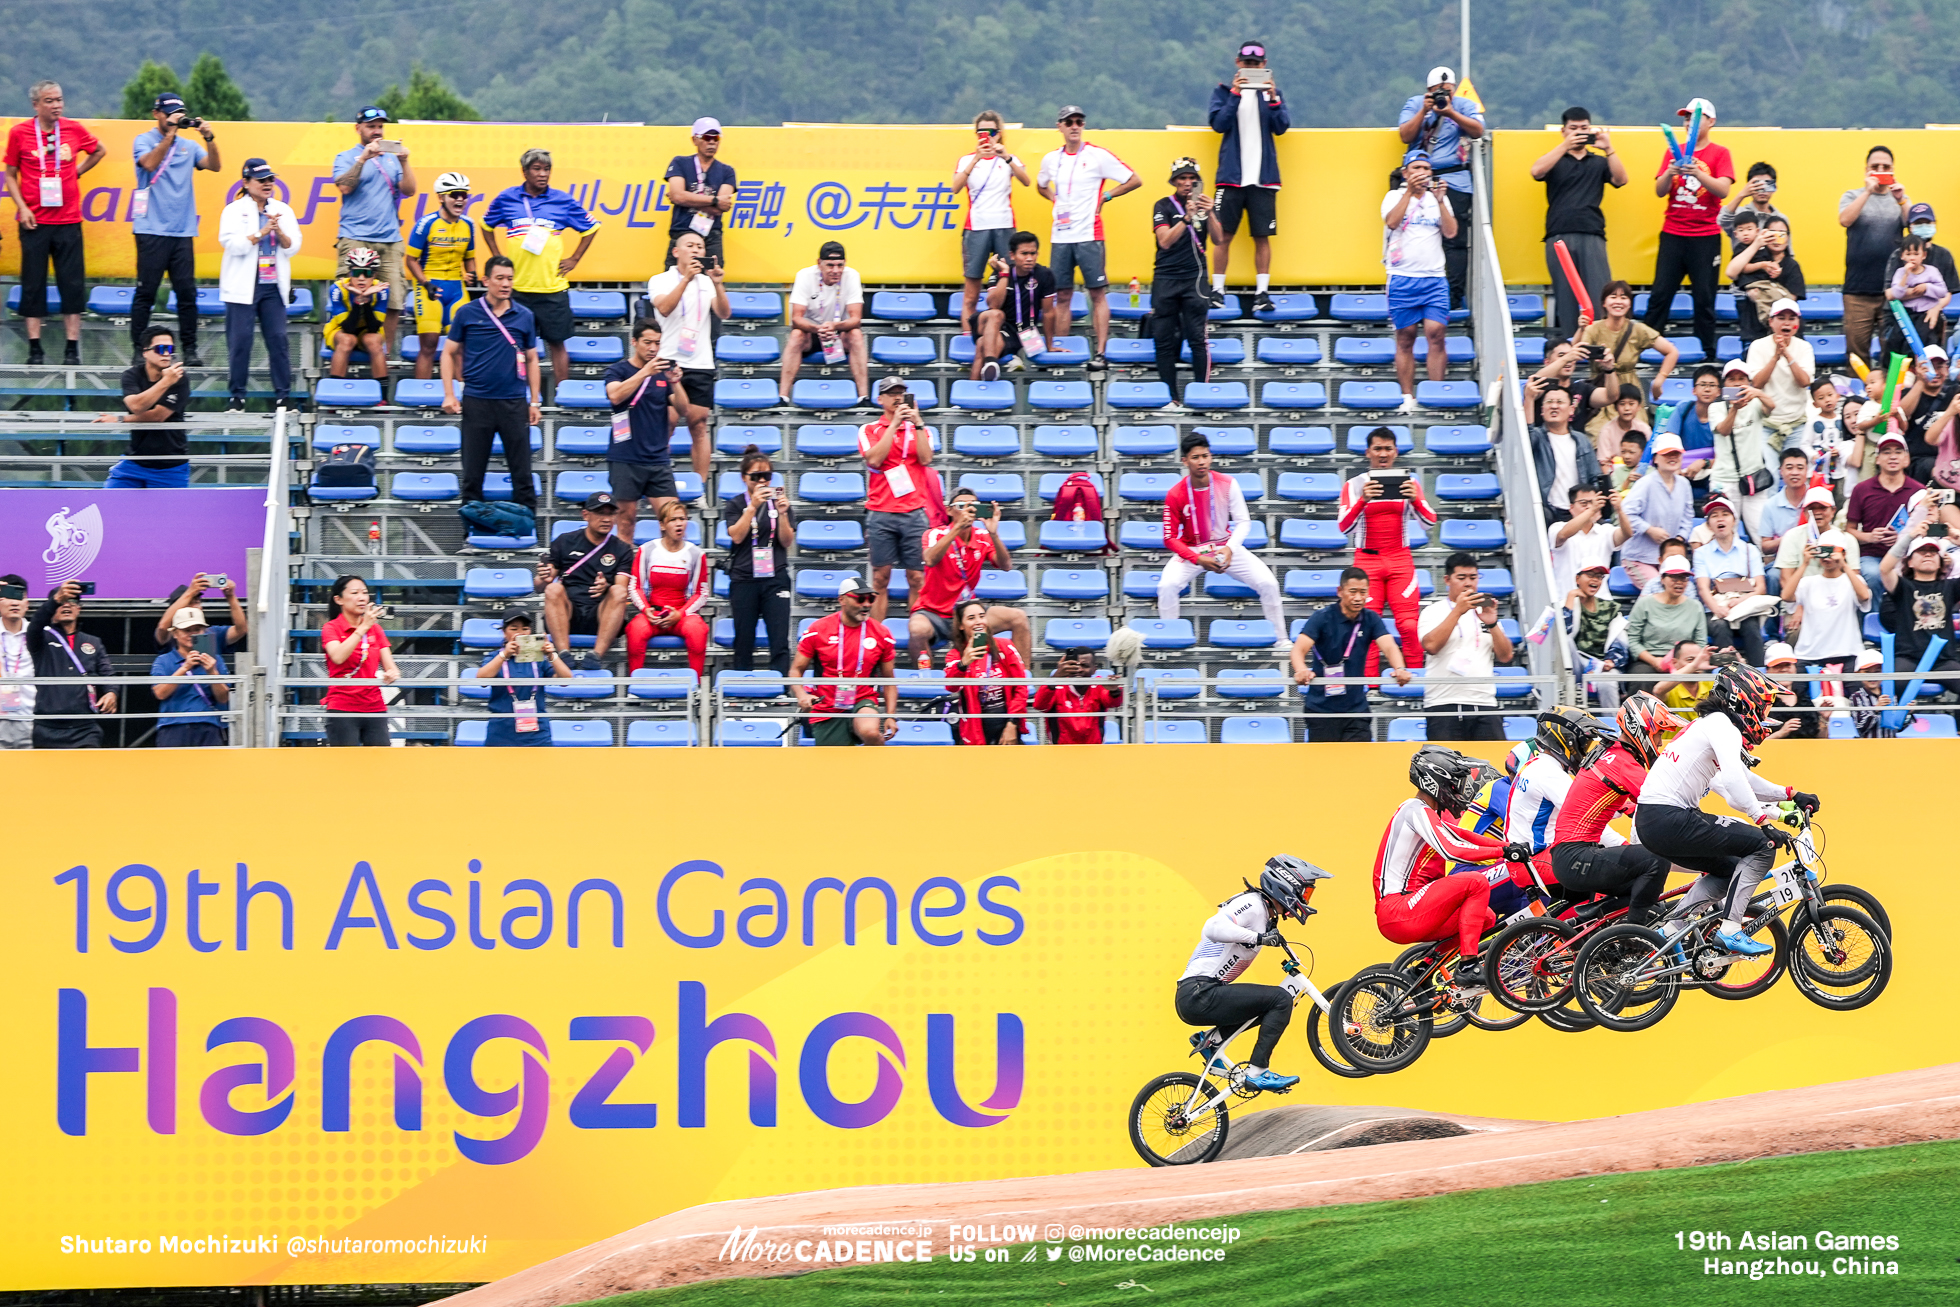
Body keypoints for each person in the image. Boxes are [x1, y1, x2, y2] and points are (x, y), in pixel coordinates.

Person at [1636, 663, 1817, 956]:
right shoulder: (1722, 724)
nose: (1765, 715)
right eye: (1764, 707)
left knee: (1728, 868)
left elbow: (1741, 777)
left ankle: (1669, 930)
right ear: (1744, 700)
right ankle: (1731, 930)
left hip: (1656, 820)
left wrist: (1790, 793)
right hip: (1668, 817)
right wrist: (1763, 822)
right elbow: (1734, 779)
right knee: (1762, 846)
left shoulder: (1711, 724)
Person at [1175, 855, 1330, 1093]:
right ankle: (1258, 1072)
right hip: (1198, 993)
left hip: (1206, 993)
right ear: (1288, 885)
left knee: (1270, 1005)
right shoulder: (1254, 903)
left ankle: (1210, 1041)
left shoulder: (1267, 917)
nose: (1306, 900)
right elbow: (1213, 927)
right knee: (1279, 999)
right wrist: (1258, 939)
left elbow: (1263, 938)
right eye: (1305, 893)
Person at [1375, 747, 1525, 990]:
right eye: (1454, 783)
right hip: (1398, 908)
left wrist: (1509, 846)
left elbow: (1465, 836)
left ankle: (1426, 967)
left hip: (1409, 908)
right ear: (1436, 781)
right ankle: (1467, 966)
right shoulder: (1414, 809)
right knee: (1475, 882)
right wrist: (1503, 852)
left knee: (1485, 917)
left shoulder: (1428, 813)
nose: (1459, 789)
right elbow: (1452, 849)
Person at [1545, 693, 1687, 925]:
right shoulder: (1623, 763)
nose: (1660, 742)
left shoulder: (1612, 753)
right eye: (1659, 734)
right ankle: (1634, 933)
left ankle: (1591, 925)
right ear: (1642, 729)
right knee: (1656, 861)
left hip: (1570, 856)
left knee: (1649, 895)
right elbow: (1663, 802)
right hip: (1576, 856)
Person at [3, 82, 102, 365]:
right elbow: (10, 175)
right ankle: (35, 348)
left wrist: (76, 173)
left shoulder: (73, 129)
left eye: (59, 100)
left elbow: (99, 150)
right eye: (50, 101)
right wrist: (22, 208)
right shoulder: (19, 133)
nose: (57, 106)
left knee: (71, 284)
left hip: (68, 220)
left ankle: (72, 349)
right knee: (33, 285)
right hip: (34, 221)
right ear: (36, 105)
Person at [483, 149, 600, 388]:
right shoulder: (506, 198)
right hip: (516, 289)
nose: (543, 174)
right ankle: (518, 394)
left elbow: (590, 228)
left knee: (557, 343)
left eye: (546, 169)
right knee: (514, 344)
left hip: (551, 289)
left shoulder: (562, 200)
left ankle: (563, 393)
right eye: (537, 169)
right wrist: (497, 256)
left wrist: (575, 258)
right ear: (524, 172)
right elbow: (486, 225)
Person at [1036, 105, 1139, 367]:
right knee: (1062, 296)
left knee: (1097, 294)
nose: (1074, 126)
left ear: (1083, 125)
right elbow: (1041, 185)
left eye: (1079, 121)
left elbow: (1133, 179)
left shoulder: (1097, 155)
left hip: (1089, 234)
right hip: (1061, 236)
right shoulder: (1051, 159)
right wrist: (1054, 199)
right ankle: (1060, 350)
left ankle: (1101, 353)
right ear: (1059, 126)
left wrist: (1106, 196)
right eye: (1068, 122)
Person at [1159, 431, 1286, 639]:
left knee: (1269, 583)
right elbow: (1170, 538)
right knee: (1167, 586)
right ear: (1184, 461)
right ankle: (1170, 639)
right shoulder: (1175, 494)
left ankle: (1281, 640)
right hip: (1193, 550)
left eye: (1205, 456)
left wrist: (1229, 549)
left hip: (1225, 546)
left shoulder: (1227, 483)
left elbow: (1244, 522)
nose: (1202, 462)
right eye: (1195, 457)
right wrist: (1197, 558)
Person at [444, 256, 542, 519]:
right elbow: (448, 352)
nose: (505, 284)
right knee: (472, 474)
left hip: (513, 403)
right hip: (477, 402)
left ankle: (526, 527)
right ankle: (470, 531)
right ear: (486, 280)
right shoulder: (467, 312)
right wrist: (450, 393)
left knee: (522, 473)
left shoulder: (524, 316)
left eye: (509, 278)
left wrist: (534, 401)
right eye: (499, 278)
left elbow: (532, 359)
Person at [130, 92, 219, 366]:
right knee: (146, 293)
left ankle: (190, 349)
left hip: (182, 232)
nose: (174, 118)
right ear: (157, 114)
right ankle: (139, 350)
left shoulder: (188, 146)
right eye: (169, 113)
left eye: (178, 113)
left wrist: (209, 138)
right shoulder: (144, 140)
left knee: (186, 293)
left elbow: (214, 166)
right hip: (151, 230)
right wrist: (169, 135)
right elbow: (148, 164)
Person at [1338, 426, 1437, 665]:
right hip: (1366, 562)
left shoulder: (1409, 482)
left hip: (1400, 559)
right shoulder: (1353, 485)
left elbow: (1429, 522)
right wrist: (1363, 500)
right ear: (1367, 452)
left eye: (1388, 449)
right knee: (1367, 624)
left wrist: (1414, 499)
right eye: (1377, 449)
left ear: (1395, 452)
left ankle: (1414, 682)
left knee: (1409, 624)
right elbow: (1344, 527)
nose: (1383, 454)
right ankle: (1369, 690)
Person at [1642, 97, 1733, 357]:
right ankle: (1646, 347)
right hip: (1673, 233)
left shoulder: (1720, 153)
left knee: (1704, 298)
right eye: (1685, 118)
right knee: (1660, 294)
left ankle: (1706, 351)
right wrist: (1670, 173)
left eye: (1695, 118)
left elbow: (1723, 189)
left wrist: (1698, 174)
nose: (1688, 123)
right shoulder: (1673, 150)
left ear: (1711, 121)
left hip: (1705, 236)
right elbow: (1660, 191)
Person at [1530, 106, 1625, 341]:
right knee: (1566, 294)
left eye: (1584, 128)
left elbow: (1621, 180)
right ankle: (1572, 348)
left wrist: (1609, 148)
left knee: (1598, 292)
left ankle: (1600, 344)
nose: (1579, 133)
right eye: (1573, 129)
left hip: (1592, 232)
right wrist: (1565, 145)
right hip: (1558, 233)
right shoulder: (1555, 159)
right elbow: (1536, 171)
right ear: (1563, 131)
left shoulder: (1598, 162)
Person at [1207, 40, 1289, 312]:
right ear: (1238, 63)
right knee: (1222, 236)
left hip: (1263, 179)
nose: (1251, 68)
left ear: (1264, 65)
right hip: (1231, 177)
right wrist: (1236, 93)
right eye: (1247, 63)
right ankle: (1217, 290)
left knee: (1262, 236)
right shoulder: (1222, 93)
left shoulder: (1272, 95)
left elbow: (1282, 127)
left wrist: (1274, 97)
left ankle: (1262, 293)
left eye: (1256, 64)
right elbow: (1218, 125)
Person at [1396, 67, 1484, 311]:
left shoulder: (1464, 105)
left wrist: (1451, 112)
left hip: (1454, 179)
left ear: (1454, 88)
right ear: (1428, 91)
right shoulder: (1415, 104)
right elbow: (1405, 135)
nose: (1443, 95)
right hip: (1419, 177)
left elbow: (1478, 131)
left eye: (1447, 91)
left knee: (1454, 240)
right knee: (1413, 233)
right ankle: (1416, 292)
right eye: (1438, 92)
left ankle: (1454, 297)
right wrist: (1425, 111)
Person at [911, 487, 1031, 667]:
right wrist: (957, 527)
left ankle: (1022, 679)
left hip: (967, 611)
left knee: (1018, 617)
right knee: (917, 629)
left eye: (973, 505)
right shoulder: (935, 534)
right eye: (961, 505)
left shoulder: (983, 536)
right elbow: (929, 559)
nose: (968, 509)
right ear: (949, 510)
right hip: (932, 611)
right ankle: (925, 681)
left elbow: (1006, 566)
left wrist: (993, 533)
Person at [1292, 566, 1411, 742]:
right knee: (1325, 766)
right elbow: (1298, 650)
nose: (1358, 598)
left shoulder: (1370, 618)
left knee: (1359, 765)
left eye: (1363, 592)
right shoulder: (1322, 617)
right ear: (1340, 591)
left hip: (1356, 709)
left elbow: (1389, 646)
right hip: (1321, 709)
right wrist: (1301, 670)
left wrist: (1400, 668)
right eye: (1352, 591)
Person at [216, 158, 298, 412]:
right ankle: (237, 397)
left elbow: (293, 246)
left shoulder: (282, 209)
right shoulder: (233, 209)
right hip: (242, 285)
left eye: (270, 179)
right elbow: (233, 245)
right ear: (246, 182)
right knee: (240, 341)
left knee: (278, 339)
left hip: (272, 284)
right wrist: (262, 232)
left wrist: (278, 230)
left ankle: (283, 397)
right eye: (261, 180)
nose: (267, 184)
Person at [331, 106, 416, 349]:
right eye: (371, 126)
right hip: (355, 238)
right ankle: (347, 349)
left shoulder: (392, 158)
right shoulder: (346, 157)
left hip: (389, 239)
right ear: (358, 129)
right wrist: (363, 159)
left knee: (393, 300)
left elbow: (409, 190)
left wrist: (405, 162)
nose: (376, 131)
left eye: (380, 126)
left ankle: (383, 352)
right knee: (348, 294)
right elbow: (345, 187)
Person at [1380, 153, 1456, 414]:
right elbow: (1391, 222)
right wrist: (1409, 194)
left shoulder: (1439, 198)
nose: (1422, 172)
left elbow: (1451, 232)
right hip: (1402, 277)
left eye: (1426, 168)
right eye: (1416, 168)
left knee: (1436, 333)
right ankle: (1408, 397)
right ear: (1405, 172)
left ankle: (1436, 395)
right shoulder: (1393, 196)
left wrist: (1440, 202)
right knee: (1406, 337)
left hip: (1434, 277)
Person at [603, 319, 693, 538]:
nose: (653, 348)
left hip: (657, 458)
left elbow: (683, 409)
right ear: (634, 341)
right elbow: (615, 395)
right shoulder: (618, 370)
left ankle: (669, 570)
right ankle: (624, 570)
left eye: (657, 343)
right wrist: (645, 372)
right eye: (647, 342)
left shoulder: (664, 371)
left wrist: (675, 382)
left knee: (673, 518)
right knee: (626, 520)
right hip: (625, 456)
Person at [645, 229, 726, 459]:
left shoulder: (708, 282)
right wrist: (687, 279)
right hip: (668, 358)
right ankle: (660, 484)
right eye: (690, 246)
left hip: (700, 361)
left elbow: (724, 312)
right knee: (667, 423)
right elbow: (664, 308)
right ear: (676, 251)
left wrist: (718, 284)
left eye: (700, 247)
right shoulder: (660, 280)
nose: (696, 250)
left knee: (699, 425)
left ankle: (699, 491)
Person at [859, 375, 934, 623]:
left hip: (914, 511)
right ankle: (877, 638)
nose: (898, 397)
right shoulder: (869, 429)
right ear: (880, 399)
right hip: (881, 512)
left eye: (901, 392)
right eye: (892, 393)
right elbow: (874, 459)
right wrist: (893, 426)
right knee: (880, 578)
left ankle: (918, 634)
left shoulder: (920, 429)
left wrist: (918, 423)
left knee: (918, 578)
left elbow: (925, 459)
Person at [1418, 552, 1515, 741]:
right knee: (1445, 768)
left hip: (1484, 702)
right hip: (1443, 703)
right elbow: (1431, 646)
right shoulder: (1433, 611)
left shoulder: (1485, 611)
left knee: (1493, 766)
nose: (1468, 583)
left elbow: (1506, 656)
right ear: (1447, 579)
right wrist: (1458, 611)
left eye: (1473, 577)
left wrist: (1493, 624)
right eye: (1461, 578)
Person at [792, 577, 898, 746]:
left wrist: (891, 715)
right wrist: (801, 695)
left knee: (870, 732)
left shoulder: (882, 634)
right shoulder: (817, 630)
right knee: (834, 767)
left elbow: (889, 680)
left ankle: (880, 769)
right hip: (827, 705)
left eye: (871, 599)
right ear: (842, 599)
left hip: (863, 699)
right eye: (860, 599)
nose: (867, 604)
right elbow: (796, 670)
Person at [953, 111, 1032, 337]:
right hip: (976, 227)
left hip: (1004, 227)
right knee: (971, 292)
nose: (986, 137)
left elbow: (1026, 181)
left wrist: (1006, 157)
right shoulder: (967, 159)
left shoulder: (1008, 159)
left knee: (1008, 287)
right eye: (981, 132)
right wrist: (977, 158)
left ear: (999, 134)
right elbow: (955, 187)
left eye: (991, 132)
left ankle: (1006, 338)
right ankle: (969, 340)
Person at [1152, 158, 1221, 407]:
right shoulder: (1163, 205)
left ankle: (1202, 396)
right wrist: (1185, 219)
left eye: (1192, 179)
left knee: (1197, 339)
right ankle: (1171, 398)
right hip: (1166, 277)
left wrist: (1210, 213)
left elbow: (1219, 238)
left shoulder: (1205, 204)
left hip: (1196, 278)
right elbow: (1165, 241)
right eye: (1182, 178)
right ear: (1174, 181)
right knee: (1164, 339)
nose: (1187, 183)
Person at [537, 492, 633, 667]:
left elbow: (621, 588)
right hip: (568, 613)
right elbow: (539, 586)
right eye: (600, 513)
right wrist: (543, 577)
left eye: (611, 514)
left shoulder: (622, 549)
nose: (607, 519)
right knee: (553, 589)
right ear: (586, 515)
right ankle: (564, 654)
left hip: (601, 615)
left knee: (618, 591)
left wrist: (606, 586)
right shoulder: (565, 541)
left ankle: (596, 656)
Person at [723, 445, 794, 675]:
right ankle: (743, 686)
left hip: (775, 576)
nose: (762, 481)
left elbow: (786, 541)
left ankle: (780, 689)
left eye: (767, 476)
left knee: (779, 637)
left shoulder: (779, 502)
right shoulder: (735, 504)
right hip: (744, 577)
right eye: (756, 477)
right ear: (744, 478)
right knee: (744, 638)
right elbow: (736, 535)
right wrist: (752, 506)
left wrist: (783, 514)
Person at [1839, 145, 1909, 370]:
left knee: (1892, 350)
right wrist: (1867, 191)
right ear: (1866, 170)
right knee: (1857, 355)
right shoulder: (1852, 195)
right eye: (1875, 167)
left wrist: (1902, 200)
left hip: (1892, 290)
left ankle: (1888, 401)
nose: (1880, 170)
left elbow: (1915, 231)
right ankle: (1857, 402)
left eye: (1886, 167)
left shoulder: (1900, 199)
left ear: (1893, 169)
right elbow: (1845, 220)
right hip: (1857, 290)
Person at [404, 173, 479, 381]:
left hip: (456, 288)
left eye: (464, 195)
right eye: (454, 195)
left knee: (460, 345)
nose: (460, 200)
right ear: (441, 197)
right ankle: (422, 396)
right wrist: (425, 283)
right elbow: (410, 260)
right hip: (430, 287)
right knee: (429, 345)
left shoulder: (469, 224)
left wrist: (472, 274)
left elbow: (469, 258)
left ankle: (462, 398)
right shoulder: (426, 223)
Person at [26, 580, 116, 749]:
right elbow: (34, 626)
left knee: (87, 775)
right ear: (53, 608)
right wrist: (55, 599)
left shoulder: (93, 642)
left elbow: (108, 674)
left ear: (79, 608)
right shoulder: (41, 639)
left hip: (85, 729)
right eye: (62, 602)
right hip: (47, 728)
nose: (66, 605)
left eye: (72, 601)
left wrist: (111, 692)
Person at [625, 502, 709, 677]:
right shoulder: (647, 550)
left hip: (681, 614)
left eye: (682, 519)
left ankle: (696, 688)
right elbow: (635, 587)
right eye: (673, 520)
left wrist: (680, 614)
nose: (679, 524)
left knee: (698, 631)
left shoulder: (696, 554)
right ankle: (635, 685)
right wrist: (646, 610)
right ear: (662, 525)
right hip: (654, 613)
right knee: (635, 630)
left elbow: (701, 593)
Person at [101, 327, 191, 488]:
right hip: (134, 462)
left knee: (171, 514)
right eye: (160, 349)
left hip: (170, 465)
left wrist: (121, 419)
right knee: (109, 504)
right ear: (145, 352)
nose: (166, 354)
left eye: (170, 349)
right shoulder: (132, 375)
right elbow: (136, 406)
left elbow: (158, 416)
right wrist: (165, 382)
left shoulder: (179, 378)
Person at [779, 241, 868, 405]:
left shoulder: (852, 275)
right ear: (819, 264)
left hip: (838, 332)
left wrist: (835, 326)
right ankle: (783, 397)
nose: (836, 271)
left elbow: (856, 319)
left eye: (840, 265)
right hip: (811, 333)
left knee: (856, 334)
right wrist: (817, 328)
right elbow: (796, 318)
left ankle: (863, 397)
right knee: (796, 334)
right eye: (830, 265)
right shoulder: (805, 275)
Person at [320, 575, 398, 746]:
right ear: (338, 599)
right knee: (346, 764)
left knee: (379, 761)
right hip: (342, 705)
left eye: (364, 593)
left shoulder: (375, 629)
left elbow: (391, 666)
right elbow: (338, 657)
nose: (362, 598)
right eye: (354, 593)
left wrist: (392, 673)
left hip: (374, 706)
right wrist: (363, 628)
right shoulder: (331, 628)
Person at [1879, 528, 1960, 693]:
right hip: (1909, 659)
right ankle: (1904, 719)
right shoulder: (1903, 587)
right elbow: (1884, 569)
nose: (1928, 555)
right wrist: (1909, 536)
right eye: (1921, 552)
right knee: (1890, 686)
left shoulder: (1950, 586)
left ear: (1940, 561)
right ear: (1910, 562)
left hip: (1943, 660)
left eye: (1933, 552)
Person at [475, 612, 573, 747]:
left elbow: (566, 679)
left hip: (537, 733)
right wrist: (505, 654)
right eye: (514, 629)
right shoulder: (494, 656)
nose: (520, 633)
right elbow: (481, 679)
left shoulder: (539, 659)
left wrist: (551, 655)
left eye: (525, 628)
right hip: (501, 732)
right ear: (504, 632)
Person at [1781, 533, 1870, 680]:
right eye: (1823, 551)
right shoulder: (1808, 582)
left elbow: (1864, 596)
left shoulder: (1853, 580)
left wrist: (1844, 564)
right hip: (1810, 654)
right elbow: (1786, 596)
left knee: (1855, 694)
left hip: (1847, 652)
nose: (1827, 556)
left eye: (1832, 550)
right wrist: (1804, 564)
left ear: (1843, 553)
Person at [1580, 281, 1675, 416]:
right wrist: (1580, 330)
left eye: (1623, 297)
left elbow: (1671, 351)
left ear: (1630, 304)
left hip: (1629, 393)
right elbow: (1578, 353)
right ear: (1604, 303)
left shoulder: (1638, 329)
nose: (1618, 301)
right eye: (1613, 296)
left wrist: (1658, 382)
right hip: (1601, 391)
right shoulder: (1593, 329)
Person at [1703, 370, 1778, 541]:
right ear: (1724, 385)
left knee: (1762, 534)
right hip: (1725, 480)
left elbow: (1772, 406)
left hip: (1754, 479)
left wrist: (1757, 392)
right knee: (1725, 534)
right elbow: (1723, 430)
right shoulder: (1715, 407)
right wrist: (1734, 409)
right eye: (1732, 380)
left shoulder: (1755, 403)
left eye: (1741, 379)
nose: (1737, 384)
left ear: (1748, 382)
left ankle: (1765, 566)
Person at [1846, 432, 1924, 593]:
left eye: (1898, 452)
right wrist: (1869, 537)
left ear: (1906, 459)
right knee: (1874, 576)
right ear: (1877, 459)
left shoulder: (1919, 491)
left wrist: (1903, 538)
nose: (1892, 457)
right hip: (1871, 555)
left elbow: (1926, 528)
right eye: (1886, 452)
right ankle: (1873, 618)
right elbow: (1849, 530)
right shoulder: (1862, 489)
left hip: (1907, 556)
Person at [1694, 496, 1768, 666]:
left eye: (1725, 514)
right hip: (1714, 606)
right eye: (1714, 515)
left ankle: (1759, 676)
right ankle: (1726, 678)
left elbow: (1760, 587)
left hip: (1744, 604)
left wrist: (1739, 602)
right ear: (1709, 524)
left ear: (1734, 520)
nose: (1720, 518)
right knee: (1720, 626)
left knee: (1751, 627)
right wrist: (1717, 608)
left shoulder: (1750, 550)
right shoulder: (1702, 553)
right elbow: (1703, 588)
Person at [944, 598, 1029, 746]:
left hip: (1006, 723)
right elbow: (951, 687)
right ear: (961, 626)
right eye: (971, 618)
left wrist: (1012, 723)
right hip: (975, 728)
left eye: (982, 616)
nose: (978, 622)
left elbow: (1021, 687)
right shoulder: (955, 655)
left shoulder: (1005, 646)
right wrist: (964, 663)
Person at [972, 230, 1053, 382]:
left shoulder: (1044, 275)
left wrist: (1050, 345)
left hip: (1021, 331)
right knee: (997, 314)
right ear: (1012, 255)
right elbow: (993, 305)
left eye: (1033, 253)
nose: (1029, 258)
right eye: (1024, 254)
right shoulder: (999, 273)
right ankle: (991, 362)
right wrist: (1005, 274)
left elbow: (1048, 312)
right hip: (989, 323)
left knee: (983, 345)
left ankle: (972, 394)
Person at [1621, 431, 1696, 588]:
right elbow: (1626, 513)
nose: (1672, 457)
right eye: (1667, 453)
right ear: (1655, 458)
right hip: (1639, 557)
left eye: (1676, 453)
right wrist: (1649, 530)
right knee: (1659, 590)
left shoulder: (1684, 484)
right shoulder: (1646, 483)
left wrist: (1680, 539)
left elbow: (1688, 517)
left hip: (1669, 559)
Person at [150, 607, 230, 748]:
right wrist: (184, 668)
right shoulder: (163, 660)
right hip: (173, 726)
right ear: (175, 633)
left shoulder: (215, 660)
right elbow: (160, 693)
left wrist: (212, 671)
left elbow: (223, 698)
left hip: (208, 725)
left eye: (197, 629)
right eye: (187, 630)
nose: (192, 634)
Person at [1627, 556, 1709, 688]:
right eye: (1674, 578)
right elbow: (1633, 640)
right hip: (1649, 659)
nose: (1679, 582)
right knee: (1641, 680)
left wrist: (1686, 663)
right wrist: (1654, 661)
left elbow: (1700, 642)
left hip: (1685, 661)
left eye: (1683, 578)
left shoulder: (1695, 607)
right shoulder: (1645, 604)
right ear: (1662, 579)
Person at [665, 117, 735, 268]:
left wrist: (686, 198)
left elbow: (723, 207)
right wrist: (715, 200)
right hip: (682, 232)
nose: (712, 142)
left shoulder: (726, 171)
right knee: (673, 282)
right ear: (694, 140)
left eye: (715, 138)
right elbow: (677, 195)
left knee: (711, 283)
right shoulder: (680, 163)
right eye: (706, 137)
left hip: (711, 237)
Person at [1725, 213, 1805, 345]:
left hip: (1785, 336)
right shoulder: (1751, 256)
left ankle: (1772, 325)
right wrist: (1756, 244)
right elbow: (1731, 272)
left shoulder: (1792, 265)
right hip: (1753, 332)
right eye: (1772, 233)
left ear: (1788, 238)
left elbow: (1791, 300)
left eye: (1782, 234)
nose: (1777, 238)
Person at [1562, 561, 1626, 709]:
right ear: (1577, 579)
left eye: (1599, 576)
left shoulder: (1610, 607)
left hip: (1602, 666)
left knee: (1607, 683)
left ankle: (1614, 729)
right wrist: (1570, 599)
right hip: (1575, 666)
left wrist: (1612, 661)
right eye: (1590, 575)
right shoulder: (1564, 605)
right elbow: (1561, 637)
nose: (1595, 580)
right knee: (1566, 641)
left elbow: (1619, 637)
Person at [1524, 383, 1593, 516]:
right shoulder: (1538, 437)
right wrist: (1529, 399)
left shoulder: (1582, 440)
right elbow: (1525, 438)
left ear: (1571, 409)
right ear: (1542, 410)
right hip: (1547, 511)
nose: (1554, 406)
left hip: (1578, 511)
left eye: (1560, 402)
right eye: (1549, 402)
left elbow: (1593, 477)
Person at [324, 247, 391, 381]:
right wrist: (358, 300)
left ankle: (383, 397)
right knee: (347, 340)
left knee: (374, 341)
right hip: (340, 329)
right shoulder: (337, 289)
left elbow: (374, 327)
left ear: (374, 275)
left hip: (368, 330)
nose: (361, 278)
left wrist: (365, 299)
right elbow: (348, 328)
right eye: (357, 272)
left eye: (366, 273)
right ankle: (334, 392)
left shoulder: (381, 289)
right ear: (349, 274)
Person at [1550, 482, 1627, 597]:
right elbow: (1562, 535)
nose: (1590, 506)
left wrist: (1620, 510)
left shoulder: (1606, 530)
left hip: (1601, 603)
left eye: (1593, 503)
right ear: (1571, 507)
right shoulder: (1557, 527)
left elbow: (1627, 534)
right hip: (1567, 602)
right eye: (1584, 503)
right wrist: (1591, 510)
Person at [1032, 648, 1123, 744]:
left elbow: (1113, 702)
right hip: (1061, 753)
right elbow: (1039, 705)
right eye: (1074, 665)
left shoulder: (1099, 685)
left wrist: (1114, 690)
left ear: (1094, 669)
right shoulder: (1055, 687)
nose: (1079, 669)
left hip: (1094, 752)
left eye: (1084, 665)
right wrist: (1056, 677)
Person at [1886, 235, 1950, 354]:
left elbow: (1942, 291)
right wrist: (1906, 275)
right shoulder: (1900, 272)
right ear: (1902, 256)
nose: (1912, 258)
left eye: (1916, 254)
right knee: (1896, 341)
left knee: (1923, 340)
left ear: (1923, 255)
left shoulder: (1932, 271)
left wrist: (1926, 288)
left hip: (1926, 314)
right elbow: (1896, 293)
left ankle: (1922, 368)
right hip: (1906, 314)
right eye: (1908, 254)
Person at [155, 573, 247, 652]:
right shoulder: (172, 634)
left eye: (197, 602)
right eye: (188, 603)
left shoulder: (212, 633)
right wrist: (190, 592)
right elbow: (163, 627)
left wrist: (230, 596)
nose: (194, 607)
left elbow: (241, 630)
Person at [1758, 446, 1817, 558]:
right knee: (1774, 575)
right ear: (1781, 471)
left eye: (1800, 468)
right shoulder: (1770, 505)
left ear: (1807, 470)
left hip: (1814, 556)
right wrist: (1788, 538)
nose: (1795, 473)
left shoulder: (1817, 498)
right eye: (1789, 468)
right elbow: (1765, 547)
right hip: (1783, 558)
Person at [0, 574, 33, 749]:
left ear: (27, 603)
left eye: (20, 596)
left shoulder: (41, 635)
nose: (15, 603)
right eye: (9, 596)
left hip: (31, 720)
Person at [1719, 161, 1786, 237]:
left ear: (1775, 187)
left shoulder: (1781, 219)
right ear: (1749, 186)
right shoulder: (1739, 214)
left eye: (1767, 184)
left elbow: (1787, 248)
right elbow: (1722, 220)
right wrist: (1742, 194)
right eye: (1757, 184)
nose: (1762, 189)